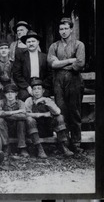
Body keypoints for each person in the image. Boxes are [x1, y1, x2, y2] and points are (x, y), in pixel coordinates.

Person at [47, 17, 85, 153]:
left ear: (71, 29)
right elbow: (52, 63)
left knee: (74, 111)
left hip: (74, 81)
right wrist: (69, 61)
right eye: (61, 29)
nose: (63, 31)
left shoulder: (79, 45)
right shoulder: (54, 46)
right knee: (61, 111)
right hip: (58, 82)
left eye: (65, 28)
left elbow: (80, 64)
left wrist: (60, 65)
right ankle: (64, 143)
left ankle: (76, 142)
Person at [25, 78, 74, 157]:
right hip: (35, 130)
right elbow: (26, 114)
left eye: (39, 89)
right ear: (32, 91)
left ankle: (63, 146)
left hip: (47, 128)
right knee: (29, 120)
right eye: (34, 89)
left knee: (60, 117)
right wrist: (42, 114)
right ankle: (39, 148)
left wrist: (46, 102)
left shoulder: (48, 100)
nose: (37, 91)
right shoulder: (29, 101)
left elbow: (58, 112)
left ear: (43, 91)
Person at [12, 30, 52, 101]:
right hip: (26, 84)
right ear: (26, 44)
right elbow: (17, 74)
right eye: (28, 42)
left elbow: (50, 74)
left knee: (46, 98)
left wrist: (41, 87)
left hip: (42, 83)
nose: (31, 44)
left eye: (33, 41)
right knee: (24, 96)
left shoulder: (44, 57)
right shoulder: (20, 57)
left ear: (38, 42)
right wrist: (27, 87)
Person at [0, 84, 30, 157]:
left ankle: (22, 148)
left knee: (21, 122)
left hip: (18, 129)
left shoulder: (20, 103)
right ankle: (6, 146)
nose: (10, 95)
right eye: (7, 93)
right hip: (5, 130)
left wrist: (5, 115)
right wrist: (14, 112)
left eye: (12, 92)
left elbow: (24, 115)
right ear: (5, 94)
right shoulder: (1, 102)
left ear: (16, 93)